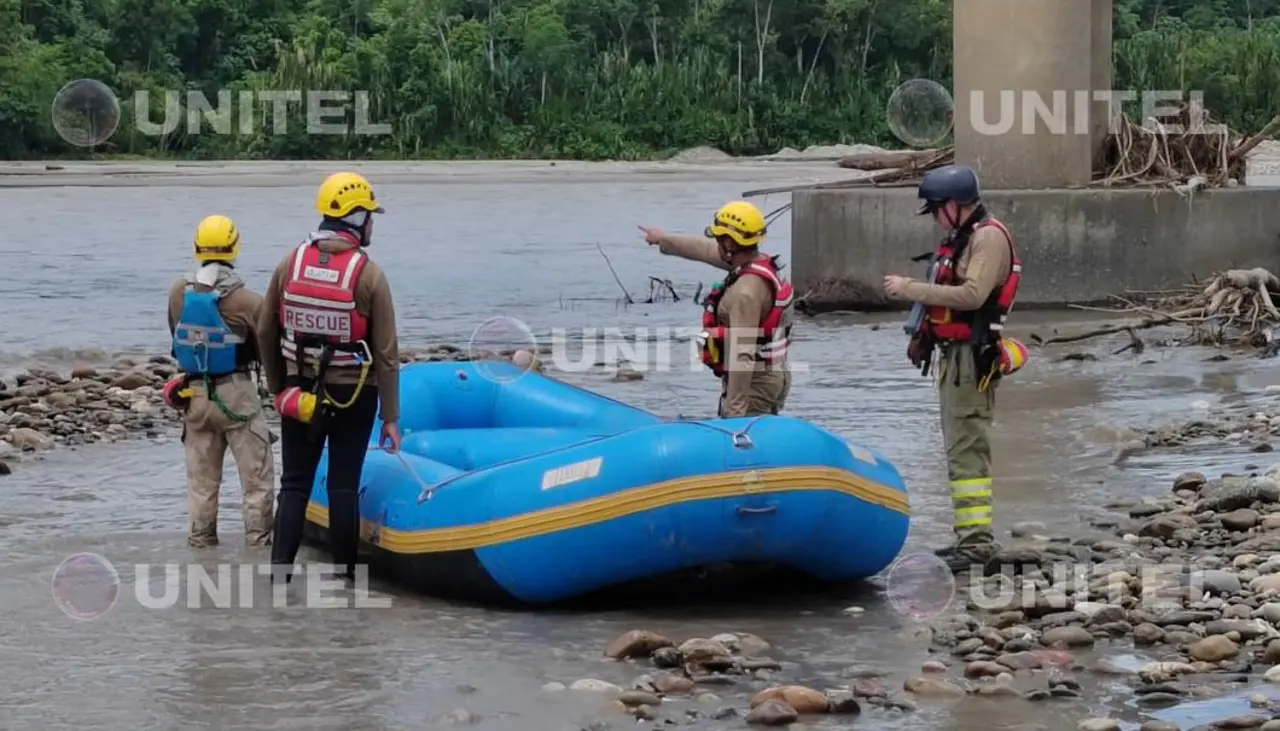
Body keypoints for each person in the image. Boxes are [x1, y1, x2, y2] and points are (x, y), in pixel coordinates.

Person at [882, 164, 1028, 572]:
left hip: (972, 358)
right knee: (958, 449)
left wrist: (909, 288)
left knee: (968, 451)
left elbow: (972, 294)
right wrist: (923, 336)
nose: (933, 218)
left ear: (953, 205)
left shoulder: (988, 238)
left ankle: (977, 543)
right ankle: (969, 538)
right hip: (954, 357)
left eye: (935, 209)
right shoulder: (963, 236)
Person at [257, 171, 402, 582]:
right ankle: (345, 578)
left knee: (295, 483)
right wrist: (390, 416)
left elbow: (265, 327)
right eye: (370, 215)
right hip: (354, 394)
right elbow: (387, 353)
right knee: (342, 483)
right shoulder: (369, 275)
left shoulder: (290, 262)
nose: (373, 223)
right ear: (355, 219)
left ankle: (278, 575)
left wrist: (279, 386)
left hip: (298, 392)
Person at [164, 214, 274, 548]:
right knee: (256, 482)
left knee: (201, 484)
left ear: (197, 247)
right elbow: (265, 350)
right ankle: (258, 544)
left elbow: (176, 336)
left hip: (195, 394)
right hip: (237, 394)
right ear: (234, 248)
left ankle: (201, 546)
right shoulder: (249, 301)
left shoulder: (177, 292)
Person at [639, 200, 793, 417]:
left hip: (754, 384)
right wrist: (663, 239)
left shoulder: (745, 293)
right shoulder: (755, 263)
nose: (716, 243)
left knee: (741, 444)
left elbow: (742, 354)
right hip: (771, 374)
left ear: (730, 244)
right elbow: (705, 250)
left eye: (720, 239)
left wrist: (734, 412)